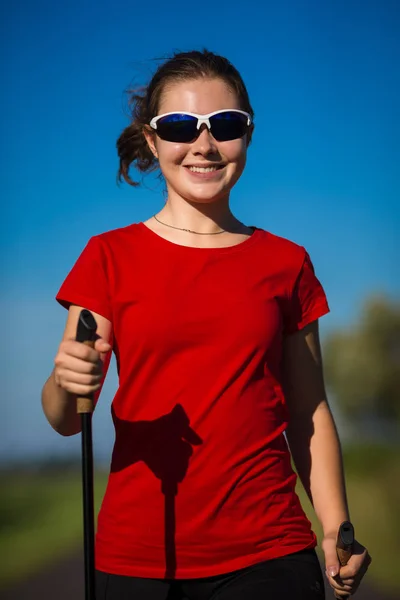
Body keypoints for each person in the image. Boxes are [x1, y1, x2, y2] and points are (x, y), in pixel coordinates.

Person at [41, 49, 371, 599]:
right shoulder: (107, 257)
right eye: (179, 126)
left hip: (269, 551)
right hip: (139, 556)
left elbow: (308, 409)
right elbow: (67, 419)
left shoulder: (286, 263)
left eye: (225, 125)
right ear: (152, 140)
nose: (204, 144)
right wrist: (63, 382)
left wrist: (336, 527)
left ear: (248, 135)